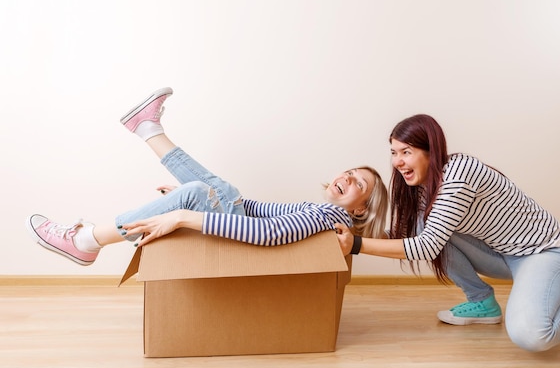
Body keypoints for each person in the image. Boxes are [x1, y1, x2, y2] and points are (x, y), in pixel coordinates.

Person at [335, 114, 560, 352]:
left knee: (532, 336)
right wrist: (351, 228)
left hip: (542, 254)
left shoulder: (459, 174)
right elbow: (406, 236)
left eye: (406, 151)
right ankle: (482, 302)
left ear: (431, 150)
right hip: (499, 255)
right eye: (394, 152)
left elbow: (427, 247)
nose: (397, 161)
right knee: (423, 226)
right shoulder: (421, 187)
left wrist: (357, 245)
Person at [26, 87, 388, 266]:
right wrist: (194, 199)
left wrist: (185, 211)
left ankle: (86, 241)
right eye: (351, 171)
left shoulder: (331, 218)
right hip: (243, 236)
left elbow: (268, 233)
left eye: (360, 184)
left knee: (202, 191)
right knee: (217, 190)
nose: (348, 178)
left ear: (360, 210)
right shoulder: (320, 211)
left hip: (251, 255)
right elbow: (259, 210)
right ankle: (147, 128)